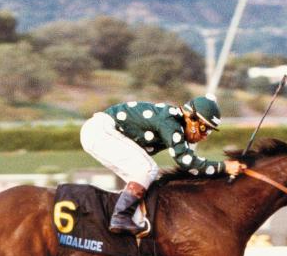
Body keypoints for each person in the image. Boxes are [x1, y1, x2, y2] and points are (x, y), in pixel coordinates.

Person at [80, 94, 246, 235]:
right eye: (204, 128)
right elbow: (187, 162)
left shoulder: (174, 121)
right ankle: (120, 217)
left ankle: (128, 220)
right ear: (192, 117)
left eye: (209, 131)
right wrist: (224, 167)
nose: (204, 135)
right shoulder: (170, 122)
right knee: (148, 169)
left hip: (98, 132)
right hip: (101, 131)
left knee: (146, 179)